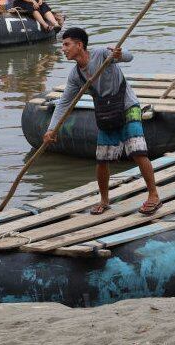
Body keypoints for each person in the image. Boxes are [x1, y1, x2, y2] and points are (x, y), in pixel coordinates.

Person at [43, 28, 161, 216]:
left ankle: (153, 195)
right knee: (102, 159)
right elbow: (64, 102)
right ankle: (104, 200)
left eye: (66, 44)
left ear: (79, 45)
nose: (63, 49)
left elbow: (129, 57)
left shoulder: (101, 54)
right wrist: (52, 130)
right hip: (106, 112)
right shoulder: (76, 76)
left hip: (127, 106)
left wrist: (120, 54)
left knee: (137, 151)